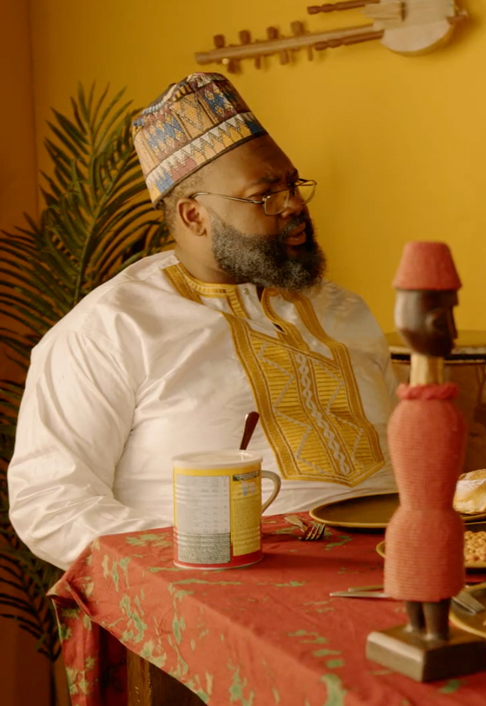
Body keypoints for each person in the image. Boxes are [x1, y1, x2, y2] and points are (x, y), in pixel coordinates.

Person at [9, 73, 396, 570]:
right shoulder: (110, 329)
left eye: (293, 185)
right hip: (222, 584)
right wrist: (195, 560)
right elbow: (50, 505)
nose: (295, 205)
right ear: (194, 216)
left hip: (400, 567)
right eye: (265, 195)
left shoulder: (342, 309)